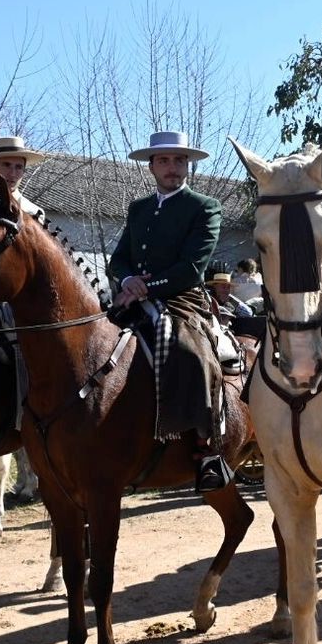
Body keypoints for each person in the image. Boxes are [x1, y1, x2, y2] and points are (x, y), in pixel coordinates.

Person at [107, 130, 233, 492]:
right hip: (131, 296)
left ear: (187, 166)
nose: (172, 168)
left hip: (182, 298)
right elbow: (119, 259)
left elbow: (192, 268)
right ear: (151, 166)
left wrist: (146, 286)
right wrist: (128, 279)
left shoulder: (205, 206)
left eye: (179, 161)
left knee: (190, 352)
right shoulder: (138, 208)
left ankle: (208, 447)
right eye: (164, 161)